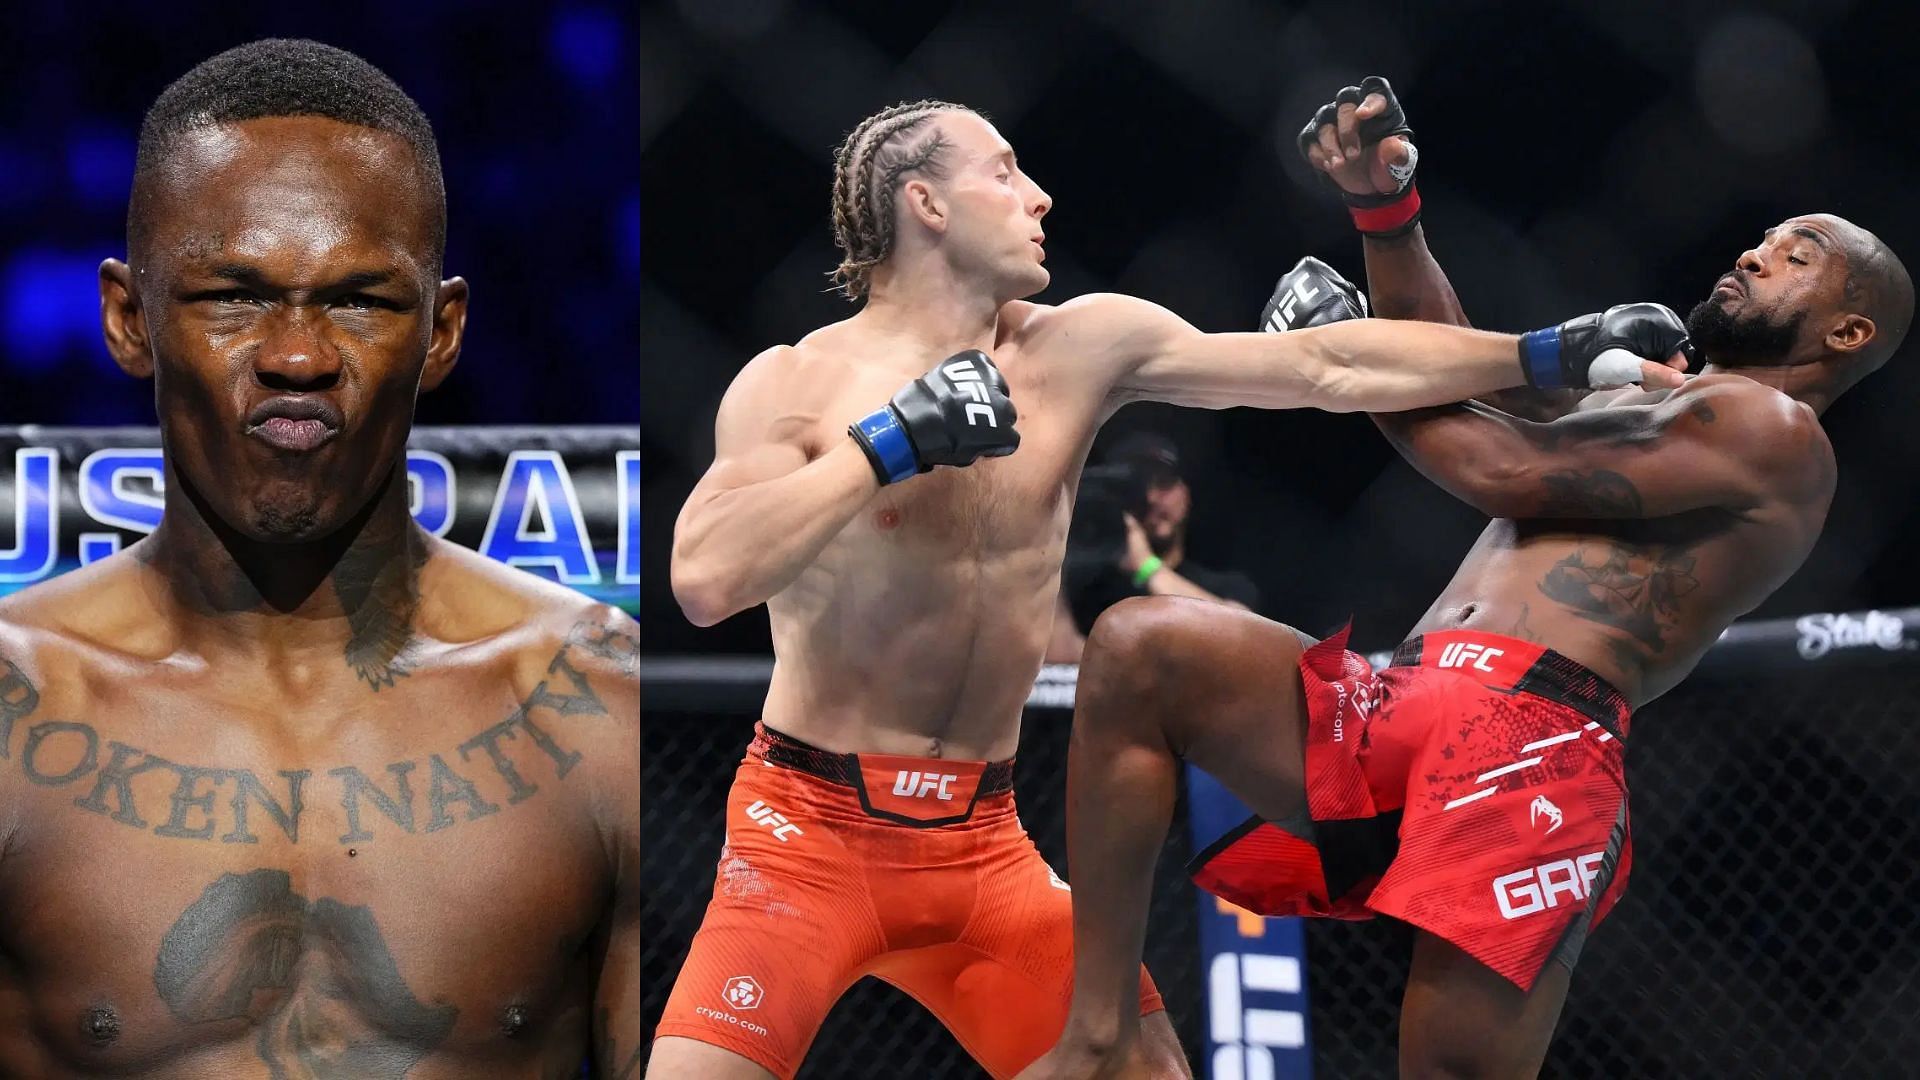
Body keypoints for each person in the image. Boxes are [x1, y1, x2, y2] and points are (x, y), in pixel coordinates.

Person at [659, 94, 1693, 1080]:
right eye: (1006, 172)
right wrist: (886, 445)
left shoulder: (1080, 346)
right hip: (805, 840)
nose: (1040, 197)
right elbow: (706, 578)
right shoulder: (795, 382)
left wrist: (1545, 351)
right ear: (924, 204)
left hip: (981, 847)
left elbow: (1326, 364)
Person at [1018, 78, 1911, 1079]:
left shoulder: (1776, 435)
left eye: (1802, 257)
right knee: (1140, 646)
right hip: (1410, 693)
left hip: (1539, 743)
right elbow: (1463, 377)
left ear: (1847, 334)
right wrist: (1389, 222)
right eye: (1768, 236)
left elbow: (1504, 472)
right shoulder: (1669, 403)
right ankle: (1101, 1033)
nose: (1757, 252)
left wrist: (1340, 367)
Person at [0, 40, 640, 1077]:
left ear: (441, 334)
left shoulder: (600, 709)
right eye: (232, 295)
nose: (299, 357)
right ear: (128, 320)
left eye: (362, 300)